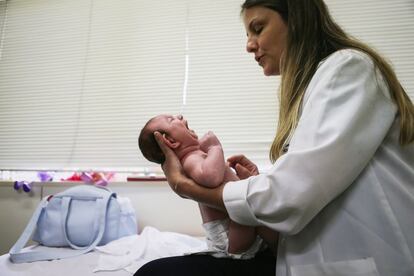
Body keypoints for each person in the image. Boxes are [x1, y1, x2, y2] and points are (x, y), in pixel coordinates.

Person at [135, 0, 414, 275]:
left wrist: (187, 188)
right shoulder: (310, 90)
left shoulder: (347, 70)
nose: (249, 45)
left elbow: (293, 192)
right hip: (297, 253)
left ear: (297, 19)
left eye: (258, 28)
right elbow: (305, 179)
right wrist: (261, 180)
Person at [138, 114, 270, 259]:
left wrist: (245, 180)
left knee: (257, 217)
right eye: (171, 119)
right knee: (251, 217)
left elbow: (229, 188)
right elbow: (211, 178)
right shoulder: (190, 159)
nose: (180, 116)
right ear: (170, 141)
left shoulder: (197, 156)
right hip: (230, 235)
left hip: (237, 223)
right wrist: (215, 147)